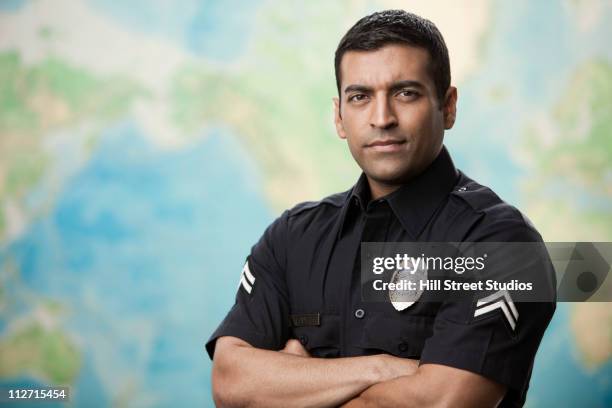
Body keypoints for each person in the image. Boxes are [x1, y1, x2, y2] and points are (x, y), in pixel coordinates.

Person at [206, 9, 556, 408]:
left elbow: (440, 403)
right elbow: (230, 382)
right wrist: (383, 368)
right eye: (360, 97)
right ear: (339, 116)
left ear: (449, 105)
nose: (382, 118)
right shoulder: (292, 238)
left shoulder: (505, 245)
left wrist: (290, 388)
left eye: (405, 93)